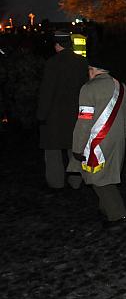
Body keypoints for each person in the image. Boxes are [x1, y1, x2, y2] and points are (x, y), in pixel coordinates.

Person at [72, 52, 126, 230]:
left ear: (93, 70)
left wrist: (77, 147)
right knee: (109, 175)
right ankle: (105, 208)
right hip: (118, 139)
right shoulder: (121, 86)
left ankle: (118, 216)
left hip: (98, 142)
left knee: (99, 179)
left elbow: (84, 121)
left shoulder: (88, 88)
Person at [36, 31, 88, 190]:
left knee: (53, 151)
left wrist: (41, 114)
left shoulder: (52, 63)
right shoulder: (82, 62)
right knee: (75, 148)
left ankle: (56, 182)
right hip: (76, 112)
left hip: (54, 115)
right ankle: (76, 181)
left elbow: (47, 91)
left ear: (57, 45)